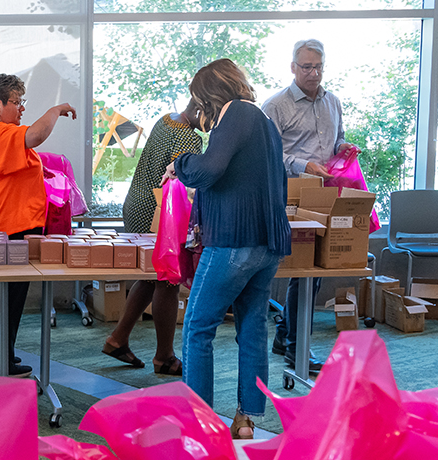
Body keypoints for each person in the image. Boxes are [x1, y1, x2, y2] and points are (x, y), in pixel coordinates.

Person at [173, 59, 290, 439]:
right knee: (252, 328)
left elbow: (209, 169)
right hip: (266, 245)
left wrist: (180, 163)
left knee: (197, 328)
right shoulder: (263, 122)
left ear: (208, 94)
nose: (198, 109)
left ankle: (201, 422)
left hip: (235, 244)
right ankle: (245, 419)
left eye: (198, 100)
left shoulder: (236, 114)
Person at [0, 74, 76, 377]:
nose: (21, 108)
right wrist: (55, 111)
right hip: (6, 230)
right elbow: (35, 136)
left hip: (5, 227)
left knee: (2, 296)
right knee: (8, 298)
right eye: (17, 102)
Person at [262, 39, 352, 373]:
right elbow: (267, 154)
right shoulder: (276, 106)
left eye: (318, 66)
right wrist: (303, 165)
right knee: (302, 269)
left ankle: (287, 335)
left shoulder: (333, 102)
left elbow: (335, 139)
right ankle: (296, 346)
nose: (313, 73)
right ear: (293, 67)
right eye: (306, 67)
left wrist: (344, 147)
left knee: (314, 271)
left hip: (325, 193)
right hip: (288, 193)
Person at [105, 102, 201, 376]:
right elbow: (188, 178)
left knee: (149, 277)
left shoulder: (167, 119)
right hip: (158, 210)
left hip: (137, 201)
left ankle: (118, 339)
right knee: (167, 279)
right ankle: (164, 356)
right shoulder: (187, 136)